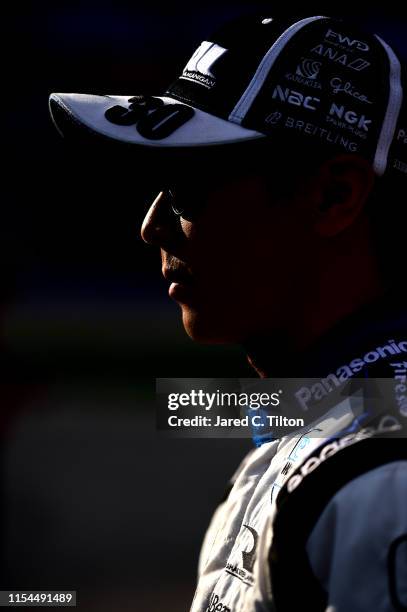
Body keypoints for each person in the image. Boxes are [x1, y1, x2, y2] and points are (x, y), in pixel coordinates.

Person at [49, 13, 407, 611]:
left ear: (333, 196)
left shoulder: (380, 479)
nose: (152, 227)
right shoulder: (325, 424)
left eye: (191, 187)